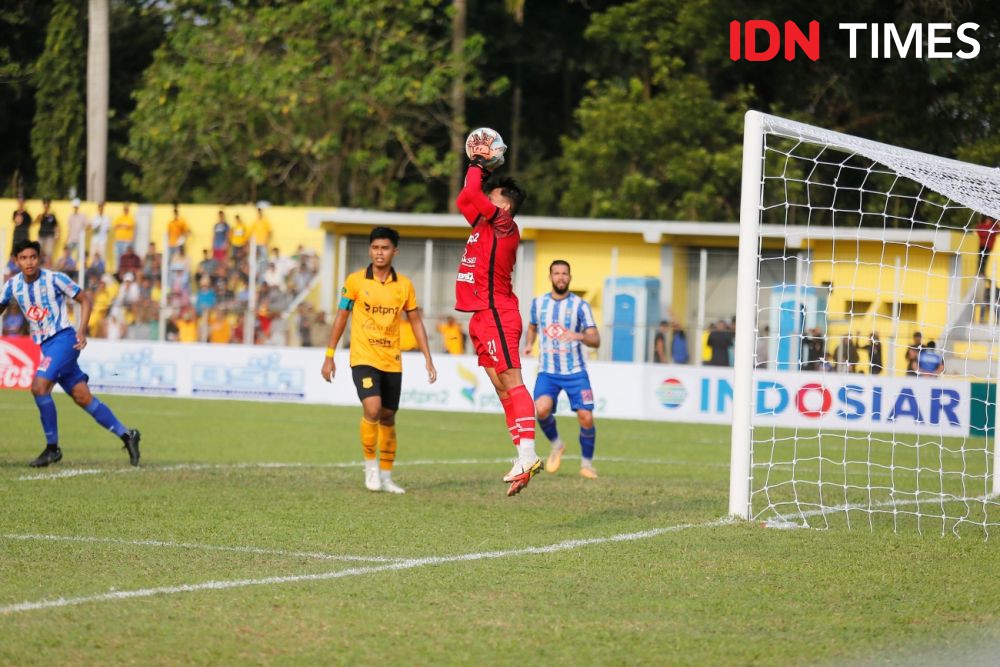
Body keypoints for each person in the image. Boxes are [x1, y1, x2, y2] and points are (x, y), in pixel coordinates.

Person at [0, 240, 141, 467]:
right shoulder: (12, 285)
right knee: (82, 397)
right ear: (16, 261)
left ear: (40, 259)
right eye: (23, 258)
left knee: (39, 387)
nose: (29, 262)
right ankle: (128, 435)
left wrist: (82, 330)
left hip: (64, 339)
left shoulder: (55, 279)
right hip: (46, 346)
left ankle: (52, 448)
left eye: (33, 257)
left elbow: (85, 299)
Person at [321, 226, 437, 494]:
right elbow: (341, 317)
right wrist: (329, 355)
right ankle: (370, 468)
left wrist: (428, 359)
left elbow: (416, 321)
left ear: (394, 251)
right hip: (363, 357)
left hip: (392, 361)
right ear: (369, 250)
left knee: (388, 417)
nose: (379, 253)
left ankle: (386, 476)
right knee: (372, 409)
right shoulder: (355, 281)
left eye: (385, 248)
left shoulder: (404, 286)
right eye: (375, 247)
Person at [453, 152, 536, 497]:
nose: (487, 200)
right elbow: (464, 198)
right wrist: (479, 170)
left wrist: (477, 165)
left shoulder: (504, 225)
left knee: (513, 379)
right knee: (502, 390)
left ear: (505, 207)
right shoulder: (483, 224)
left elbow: (472, 193)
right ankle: (523, 459)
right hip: (480, 315)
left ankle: (528, 455)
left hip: (497, 310)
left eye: (493, 197)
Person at [523, 259, 601, 479]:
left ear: (570, 277)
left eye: (564, 274)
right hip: (548, 371)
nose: (560, 277)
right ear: (550, 277)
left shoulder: (580, 306)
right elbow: (532, 326)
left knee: (586, 417)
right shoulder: (538, 304)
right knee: (541, 409)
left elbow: (596, 339)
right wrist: (529, 343)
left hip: (575, 371)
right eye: (556, 273)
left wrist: (579, 335)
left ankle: (587, 464)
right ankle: (557, 445)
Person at [35, 199, 59, 266]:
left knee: (49, 252)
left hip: (50, 236)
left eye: (47, 206)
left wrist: (57, 234)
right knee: (38, 251)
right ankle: (39, 266)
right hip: (41, 235)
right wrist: (39, 217)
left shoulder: (52, 216)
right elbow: (34, 223)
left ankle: (49, 266)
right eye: (45, 206)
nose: (46, 207)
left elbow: (56, 226)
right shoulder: (41, 216)